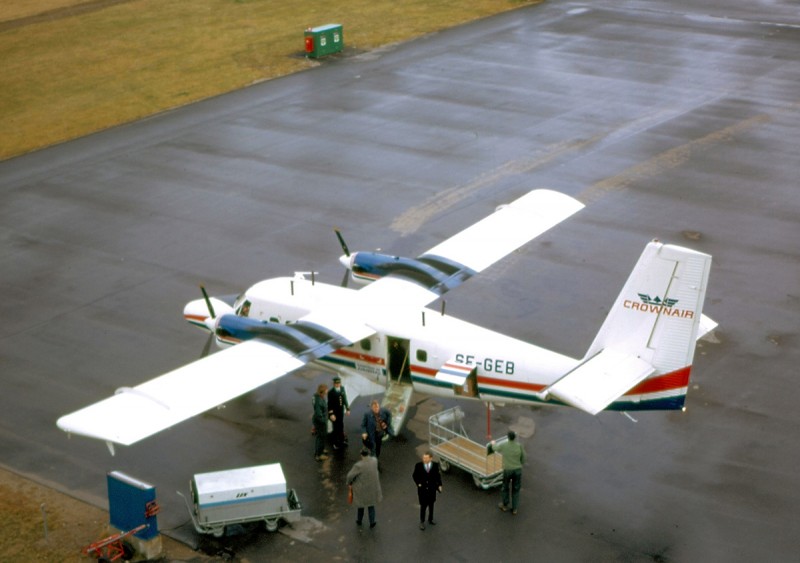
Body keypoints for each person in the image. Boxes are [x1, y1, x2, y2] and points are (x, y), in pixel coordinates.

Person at [488, 430, 526, 515]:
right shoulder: (519, 446)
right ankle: (515, 508)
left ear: (508, 437)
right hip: (517, 470)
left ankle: (505, 505)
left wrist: (493, 443)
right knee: (516, 489)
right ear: (515, 438)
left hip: (508, 470)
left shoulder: (504, 445)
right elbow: (524, 458)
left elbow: (495, 448)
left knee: (505, 487)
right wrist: (520, 464)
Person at [346, 448, 382, 530]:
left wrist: (349, 483)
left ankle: (359, 520)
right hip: (372, 488)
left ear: (361, 455)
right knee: (371, 505)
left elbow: (350, 476)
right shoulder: (374, 461)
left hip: (362, 489)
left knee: (361, 505)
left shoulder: (359, 466)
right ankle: (372, 522)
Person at [412, 451, 442, 530]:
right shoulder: (418, 466)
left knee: (431, 505)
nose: (424, 459)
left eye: (426, 458)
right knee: (423, 506)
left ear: (430, 458)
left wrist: (439, 485)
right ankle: (422, 521)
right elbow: (414, 475)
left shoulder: (435, 466)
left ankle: (430, 519)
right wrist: (418, 483)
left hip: (432, 490)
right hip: (423, 491)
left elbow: (438, 476)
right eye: (423, 458)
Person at [327, 376, 350, 450]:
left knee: (341, 426)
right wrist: (331, 414)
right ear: (334, 384)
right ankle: (335, 443)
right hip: (335, 413)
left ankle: (341, 440)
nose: (338, 384)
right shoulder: (331, 392)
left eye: (339, 383)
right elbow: (329, 404)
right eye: (336, 383)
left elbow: (345, 399)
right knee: (336, 428)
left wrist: (347, 408)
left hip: (340, 412)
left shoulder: (342, 389)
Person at [312, 383, 328, 461]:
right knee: (321, 437)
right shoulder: (319, 400)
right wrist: (324, 421)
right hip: (320, 422)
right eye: (326, 390)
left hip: (318, 420)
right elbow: (319, 414)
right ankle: (319, 454)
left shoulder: (317, 396)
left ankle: (321, 449)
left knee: (321, 437)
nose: (327, 391)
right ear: (322, 392)